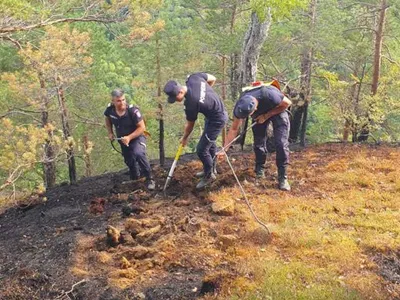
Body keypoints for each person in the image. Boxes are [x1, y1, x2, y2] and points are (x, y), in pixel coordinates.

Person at [223, 83, 292, 191]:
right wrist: (225, 148)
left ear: (254, 108)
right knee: (259, 142)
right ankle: (260, 169)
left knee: (281, 143)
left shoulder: (270, 95)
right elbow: (234, 129)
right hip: (260, 113)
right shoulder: (240, 106)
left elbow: (287, 103)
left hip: (278, 108)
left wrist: (266, 116)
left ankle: (282, 177)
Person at [164, 72, 228, 189]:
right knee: (210, 143)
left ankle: (209, 176)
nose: (175, 101)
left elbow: (190, 125)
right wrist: (206, 96)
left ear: (181, 92)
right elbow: (213, 78)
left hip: (218, 119)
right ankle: (211, 169)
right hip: (213, 114)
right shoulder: (193, 78)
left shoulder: (191, 103)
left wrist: (184, 138)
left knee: (201, 150)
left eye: (175, 98)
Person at [104, 89, 155, 190]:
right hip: (122, 140)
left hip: (137, 137)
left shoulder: (132, 111)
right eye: (118, 101)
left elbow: (142, 128)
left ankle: (149, 178)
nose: (122, 102)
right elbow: (107, 119)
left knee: (139, 154)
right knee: (129, 160)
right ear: (113, 101)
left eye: (123, 100)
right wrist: (110, 132)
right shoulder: (110, 110)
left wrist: (129, 137)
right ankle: (135, 179)